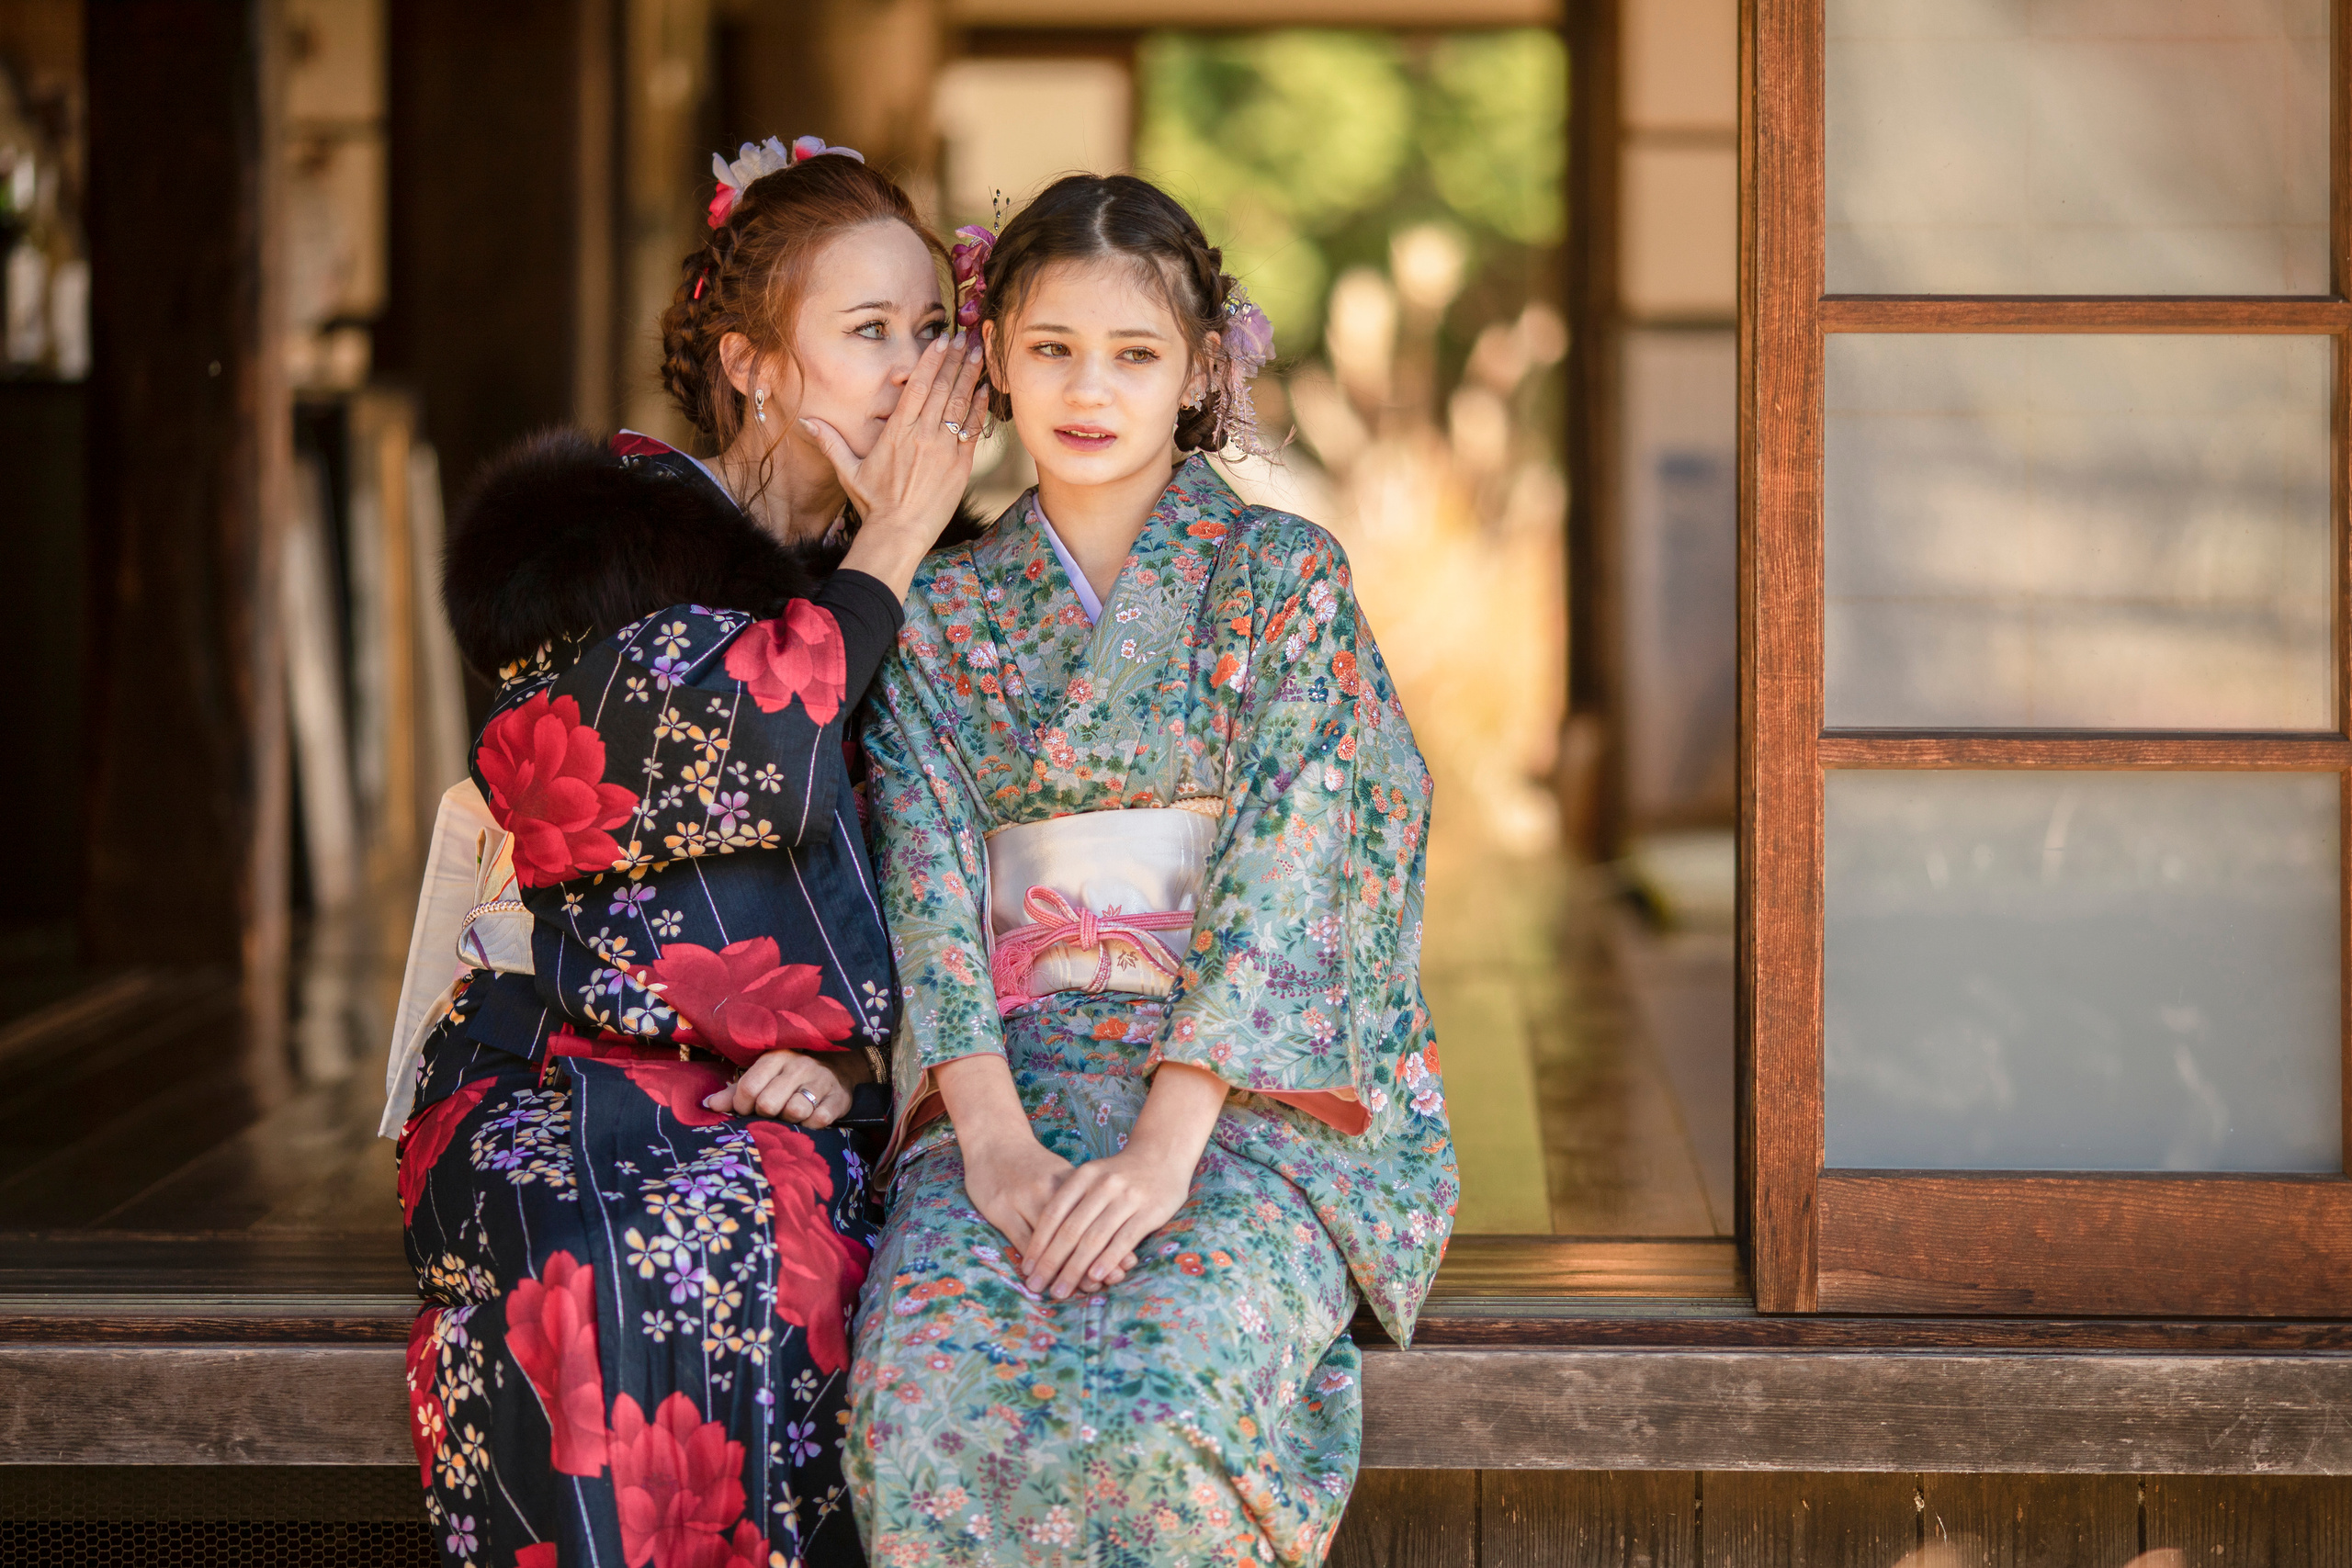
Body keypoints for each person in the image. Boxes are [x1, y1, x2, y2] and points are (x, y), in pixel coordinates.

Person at [847, 173, 1458, 1568]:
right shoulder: (943, 613)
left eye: (1134, 355)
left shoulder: (1282, 581)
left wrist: (1163, 1149)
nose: (1088, 388)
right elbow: (929, 881)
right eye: (1051, 347)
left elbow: (1299, 863)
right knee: (927, 1381)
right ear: (993, 353)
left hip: (1244, 1094)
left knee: (1168, 1387)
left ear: (1197, 376)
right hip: (1014, 1071)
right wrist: (992, 1147)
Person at [394, 135, 989, 1568]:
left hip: (813, 1102)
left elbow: (974, 876)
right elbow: (713, 762)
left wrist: (859, 1066)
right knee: (586, 1264)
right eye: (864, 334)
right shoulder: (603, 547)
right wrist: (888, 555)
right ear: (751, 365)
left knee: (775, 1250)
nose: (910, 374)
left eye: (929, 333)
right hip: (560, 1057)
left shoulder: (956, 587)